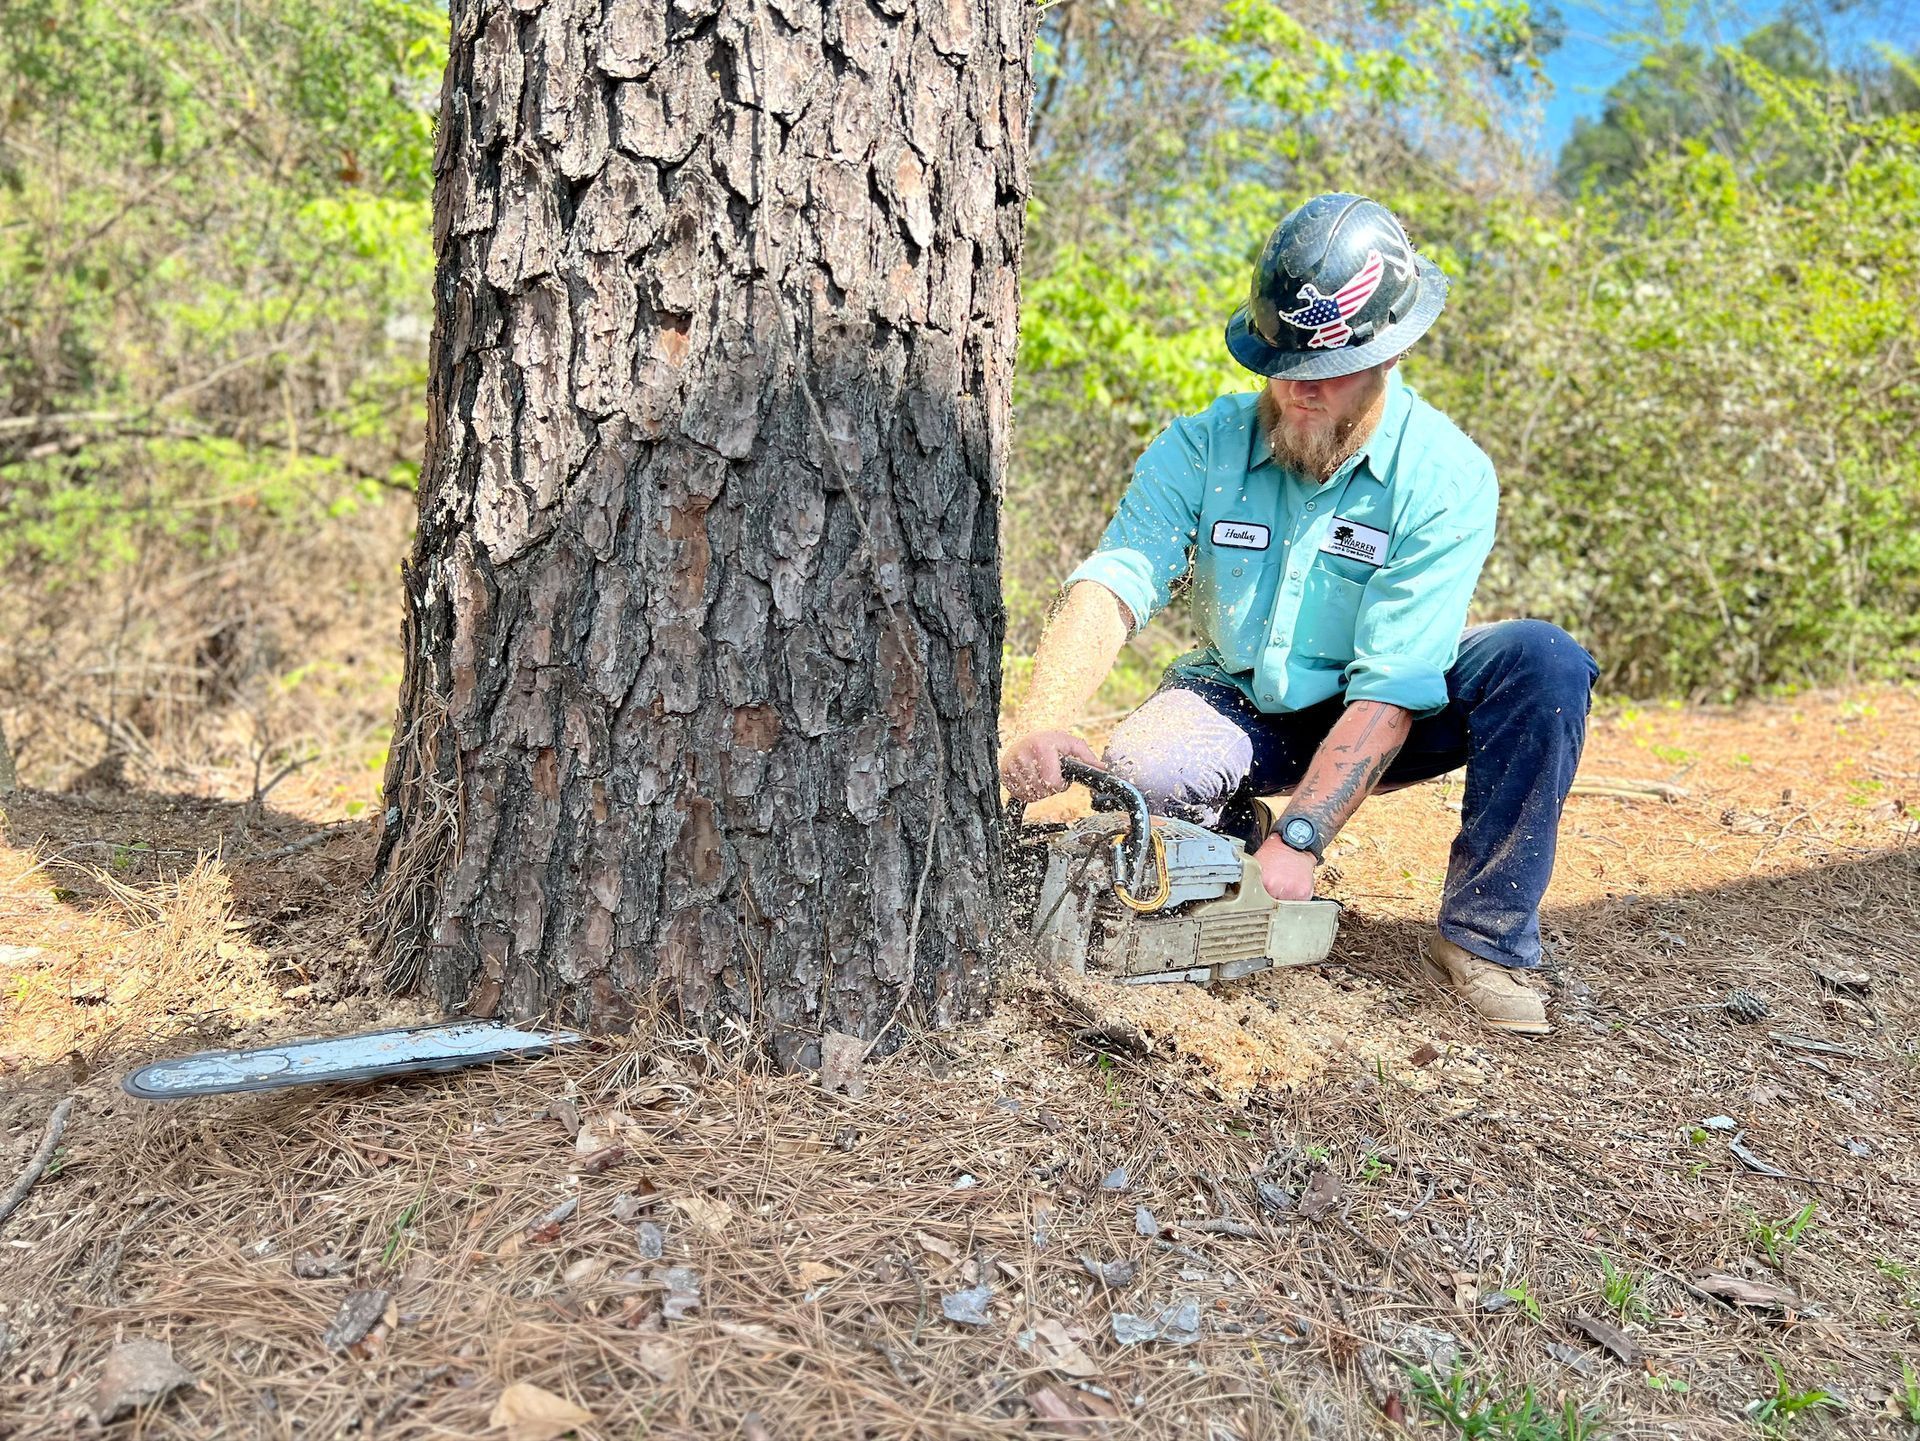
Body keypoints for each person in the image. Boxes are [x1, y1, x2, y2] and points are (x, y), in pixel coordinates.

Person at [1000, 193, 1597, 1036]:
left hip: (1394, 700)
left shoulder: (1445, 475)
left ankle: (1486, 937)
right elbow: (1116, 579)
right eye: (1280, 369)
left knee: (1543, 661)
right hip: (1243, 698)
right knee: (1146, 766)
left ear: (1386, 355)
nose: (1295, 394)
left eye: (1323, 376)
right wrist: (1045, 716)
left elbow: (1393, 684)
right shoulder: (1202, 445)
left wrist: (1306, 838)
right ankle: (1233, 837)